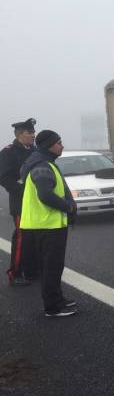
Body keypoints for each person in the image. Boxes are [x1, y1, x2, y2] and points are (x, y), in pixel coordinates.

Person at [19, 130, 78, 317]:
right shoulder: (42, 166)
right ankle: (53, 307)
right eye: (58, 142)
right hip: (48, 224)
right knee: (51, 266)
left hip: (45, 224)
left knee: (50, 266)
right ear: (49, 145)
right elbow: (45, 194)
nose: (62, 145)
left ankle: (57, 299)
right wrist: (68, 207)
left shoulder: (43, 163)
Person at [0, 118, 38, 285]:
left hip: (38, 201)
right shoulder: (8, 152)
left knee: (35, 237)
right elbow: (4, 177)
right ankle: (14, 274)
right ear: (21, 135)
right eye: (30, 133)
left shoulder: (34, 150)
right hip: (21, 202)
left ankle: (31, 270)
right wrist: (21, 191)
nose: (33, 136)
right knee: (22, 237)